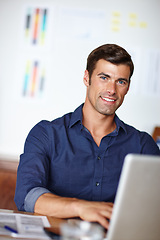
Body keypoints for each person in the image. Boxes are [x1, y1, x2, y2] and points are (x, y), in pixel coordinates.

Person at [14, 44, 160, 229]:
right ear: (86, 78)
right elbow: (27, 196)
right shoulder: (46, 134)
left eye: (120, 81)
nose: (112, 90)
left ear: (127, 87)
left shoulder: (143, 145)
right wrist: (81, 208)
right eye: (104, 78)